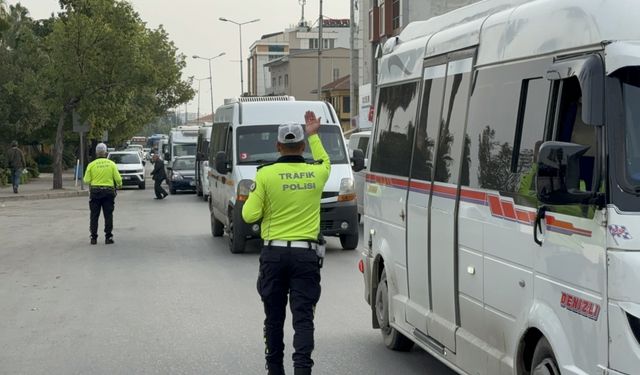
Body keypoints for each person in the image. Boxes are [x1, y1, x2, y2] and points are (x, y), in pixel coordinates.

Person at [242, 111, 330, 375]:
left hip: (274, 255)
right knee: (303, 319)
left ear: (278, 146)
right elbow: (325, 160)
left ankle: (275, 370)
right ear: (302, 146)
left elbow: (249, 215)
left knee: (274, 318)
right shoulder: (317, 173)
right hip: (306, 256)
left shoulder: (266, 176)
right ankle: (302, 370)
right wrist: (315, 135)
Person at [83, 143, 122, 245]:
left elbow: (86, 180)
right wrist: (119, 184)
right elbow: (118, 179)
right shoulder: (111, 164)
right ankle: (108, 237)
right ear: (105, 152)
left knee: (94, 215)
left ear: (96, 153)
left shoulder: (91, 165)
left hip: (95, 192)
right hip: (108, 192)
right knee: (108, 215)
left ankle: (93, 237)